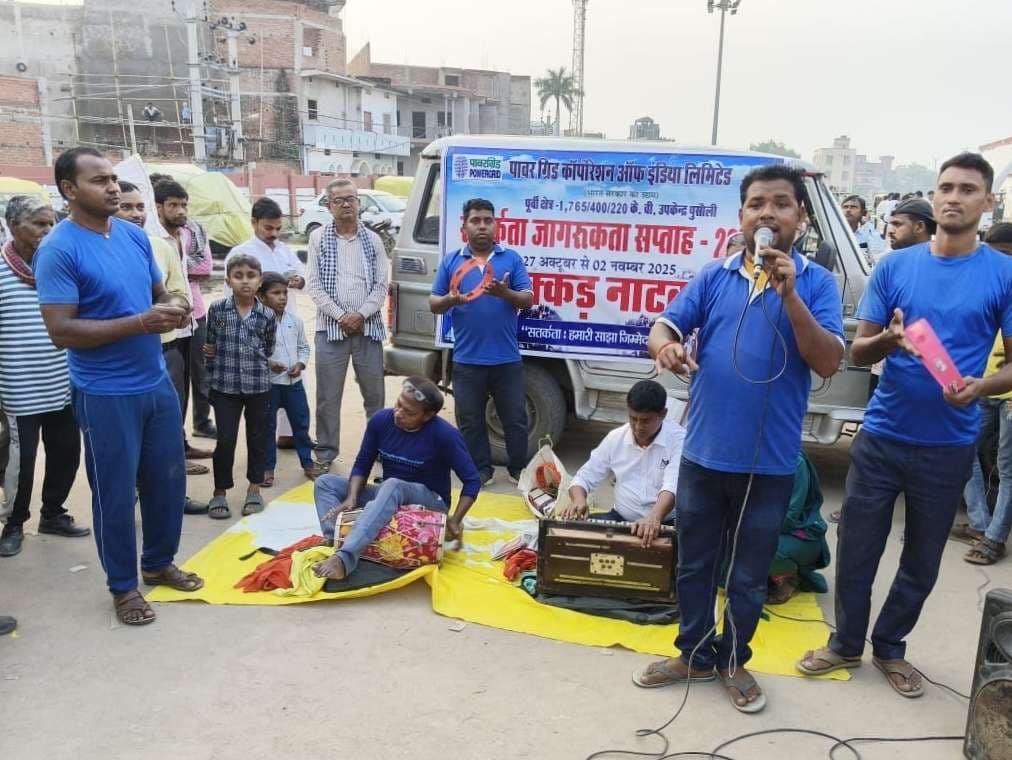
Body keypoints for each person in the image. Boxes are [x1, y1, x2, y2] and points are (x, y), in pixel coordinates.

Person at [796, 153, 1012, 698]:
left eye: (968, 189)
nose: (954, 197)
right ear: (934, 197)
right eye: (946, 187)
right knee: (858, 547)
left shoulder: (1003, 274)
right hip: (883, 436)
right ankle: (845, 642)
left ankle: (891, 647)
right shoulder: (895, 267)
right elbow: (857, 350)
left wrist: (979, 388)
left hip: (949, 444)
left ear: (987, 203)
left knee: (921, 557)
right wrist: (889, 341)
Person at [635, 164, 845, 713]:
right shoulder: (714, 276)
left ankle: (734, 660)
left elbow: (826, 359)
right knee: (694, 564)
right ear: (742, 216)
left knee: (749, 575)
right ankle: (695, 653)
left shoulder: (817, 284)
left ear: (800, 216)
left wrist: (789, 295)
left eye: (780, 203)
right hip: (703, 455)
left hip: (768, 464)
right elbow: (664, 325)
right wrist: (665, 348)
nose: (767, 213)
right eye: (756, 204)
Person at [35, 147, 204, 626]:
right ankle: (123, 587)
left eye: (113, 178)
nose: (112, 187)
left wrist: (173, 304)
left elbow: (158, 294)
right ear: (70, 190)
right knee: (114, 493)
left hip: (155, 381)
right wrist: (140, 323)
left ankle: (158, 561)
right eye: (98, 181)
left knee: (167, 482)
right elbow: (61, 331)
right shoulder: (60, 249)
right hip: (105, 392)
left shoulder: (132, 236)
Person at [312, 377, 481, 580]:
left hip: (430, 502)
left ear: (428, 416)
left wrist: (455, 520)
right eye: (398, 404)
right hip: (389, 494)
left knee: (392, 485)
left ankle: (344, 558)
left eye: (409, 412)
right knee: (325, 483)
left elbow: (472, 480)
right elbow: (362, 463)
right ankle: (335, 539)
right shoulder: (381, 421)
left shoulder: (446, 435)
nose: (399, 414)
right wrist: (352, 497)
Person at [0, 196, 89, 558]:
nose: (47, 231)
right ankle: (14, 523)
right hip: (19, 387)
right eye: (38, 223)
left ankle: (53, 513)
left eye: (51, 222)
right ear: (12, 226)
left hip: (64, 381)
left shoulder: (60, 265)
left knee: (67, 452)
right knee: (22, 463)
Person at [116, 181, 209, 514]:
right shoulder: (95, 252)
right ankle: (128, 500)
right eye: (126, 207)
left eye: (139, 207)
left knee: (166, 428)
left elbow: (177, 291)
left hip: (166, 351)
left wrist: (175, 307)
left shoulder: (158, 245)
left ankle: (170, 497)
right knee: (127, 439)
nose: (135, 214)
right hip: (120, 361)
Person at [429, 198, 534, 486]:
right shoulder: (452, 261)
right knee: (470, 421)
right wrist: (450, 299)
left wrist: (505, 294)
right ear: (464, 225)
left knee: (515, 419)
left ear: (496, 224)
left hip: (506, 358)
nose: (483, 226)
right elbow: (434, 303)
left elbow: (528, 300)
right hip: (467, 359)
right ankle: (481, 471)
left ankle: (518, 469)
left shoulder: (510, 259)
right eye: (476, 220)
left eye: (488, 220)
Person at [306, 179, 389, 473]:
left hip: (367, 328)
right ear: (329, 206)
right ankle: (326, 453)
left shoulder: (374, 241)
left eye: (351, 199)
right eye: (339, 200)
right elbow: (313, 286)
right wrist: (341, 316)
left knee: (374, 396)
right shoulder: (318, 239)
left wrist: (360, 315)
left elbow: (381, 286)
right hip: (331, 329)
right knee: (328, 396)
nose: (346, 205)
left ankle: (379, 450)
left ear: (359, 203)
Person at [557, 380, 685, 548]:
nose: (638, 426)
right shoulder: (615, 438)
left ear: (663, 414)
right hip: (621, 520)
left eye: (646, 420)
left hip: (666, 521)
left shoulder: (678, 440)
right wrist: (579, 500)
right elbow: (584, 477)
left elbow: (673, 485)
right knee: (569, 536)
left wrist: (654, 517)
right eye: (633, 418)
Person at [226, 197, 307, 450]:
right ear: (253, 222)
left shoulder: (284, 250)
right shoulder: (242, 253)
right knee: (263, 386)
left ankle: (288, 434)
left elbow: (304, 275)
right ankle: (262, 445)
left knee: (290, 376)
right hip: (255, 326)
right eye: (268, 228)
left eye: (278, 228)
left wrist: (297, 281)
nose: (274, 233)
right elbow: (233, 292)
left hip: (286, 323)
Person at [953, 223, 1012, 565]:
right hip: (984, 386)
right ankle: (980, 522)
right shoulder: (993, 285)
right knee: (961, 451)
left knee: (1006, 468)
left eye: (1003, 255)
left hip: (1007, 396)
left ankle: (994, 539)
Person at [203, 254, 277, 519]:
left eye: (251, 276)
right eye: (238, 276)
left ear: (259, 281)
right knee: (225, 440)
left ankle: (254, 489)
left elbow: (268, 348)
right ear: (228, 280)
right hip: (224, 388)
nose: (245, 281)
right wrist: (213, 379)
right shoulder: (217, 310)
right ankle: (219, 492)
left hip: (258, 387)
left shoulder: (267, 314)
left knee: (257, 438)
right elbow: (209, 348)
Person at [153, 177, 216, 439]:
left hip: (195, 312)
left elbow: (206, 268)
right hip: (167, 320)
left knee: (200, 372)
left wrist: (179, 269)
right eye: (173, 205)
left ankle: (201, 424)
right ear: (158, 207)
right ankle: (175, 440)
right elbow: (159, 278)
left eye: (184, 205)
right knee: (174, 382)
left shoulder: (192, 232)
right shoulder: (153, 238)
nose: (181, 211)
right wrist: (180, 270)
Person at [258, 272, 315, 486]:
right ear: (262, 296)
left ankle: (308, 463)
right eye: (275, 293)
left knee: (301, 424)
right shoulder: (257, 323)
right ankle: (267, 468)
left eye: (285, 293)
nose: (282, 297)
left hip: (293, 385)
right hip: (269, 386)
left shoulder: (295, 322)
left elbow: (303, 347)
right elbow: (253, 351)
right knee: (267, 427)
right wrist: (269, 363)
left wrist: (300, 364)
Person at [765, 451, 830, 604]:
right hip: (760, 526)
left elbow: (788, 519)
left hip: (794, 533)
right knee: (722, 571)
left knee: (760, 549)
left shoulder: (794, 462)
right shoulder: (746, 455)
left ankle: (789, 577)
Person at [842, 195, 887, 265]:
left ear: (863, 212)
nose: (848, 210)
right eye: (845, 207)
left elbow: (878, 256)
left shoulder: (869, 232)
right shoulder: (833, 230)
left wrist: (867, 225)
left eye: (853, 207)